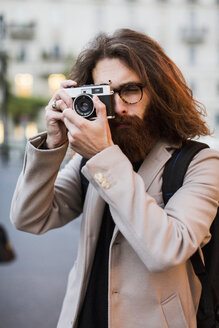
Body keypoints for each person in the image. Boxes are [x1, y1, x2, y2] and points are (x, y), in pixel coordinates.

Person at [10, 28, 219, 328]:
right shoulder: (90, 159)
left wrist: (103, 156)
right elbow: (28, 218)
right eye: (104, 94)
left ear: (159, 91)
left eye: (130, 91)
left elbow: (166, 250)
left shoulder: (199, 162)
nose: (118, 108)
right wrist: (54, 146)